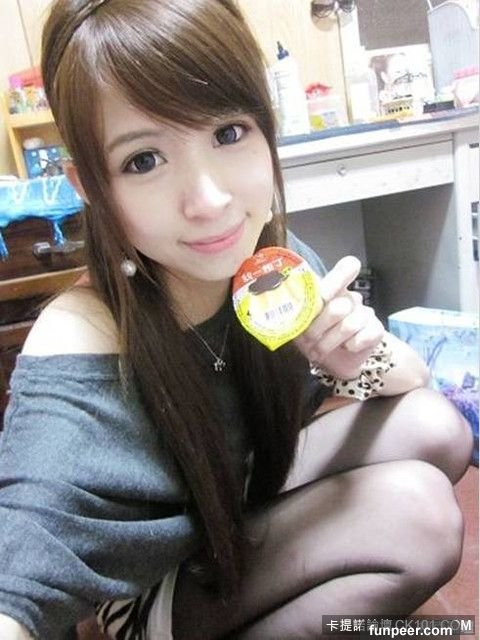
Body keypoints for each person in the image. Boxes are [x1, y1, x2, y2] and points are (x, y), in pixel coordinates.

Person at [0, 1, 473, 638]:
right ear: (90, 186)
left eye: (227, 133)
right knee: (417, 517)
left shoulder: (267, 263)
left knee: (437, 426)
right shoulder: (80, 340)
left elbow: (412, 382)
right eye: (144, 160)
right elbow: (25, 549)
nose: (211, 201)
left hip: (238, 508)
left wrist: (355, 357)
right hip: (155, 593)